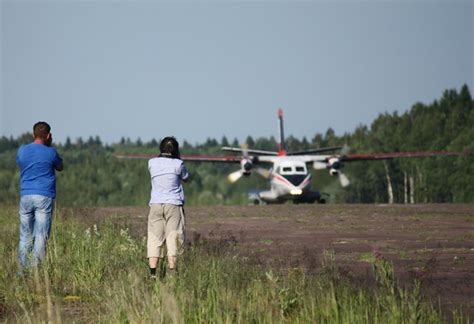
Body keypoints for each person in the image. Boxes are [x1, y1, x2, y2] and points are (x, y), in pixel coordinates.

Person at [16, 121, 63, 270]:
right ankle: (35, 272)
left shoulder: (22, 150)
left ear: (33, 134)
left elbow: (21, 163)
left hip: (25, 195)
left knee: (25, 236)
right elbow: (60, 166)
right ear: (48, 136)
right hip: (44, 196)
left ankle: (22, 272)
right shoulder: (51, 152)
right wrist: (48, 148)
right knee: (41, 235)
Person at [147, 136, 189, 280]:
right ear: (175, 149)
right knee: (174, 237)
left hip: (156, 205)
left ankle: (152, 274)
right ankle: (173, 274)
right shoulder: (178, 164)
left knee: (154, 238)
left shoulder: (151, 163)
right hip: (173, 205)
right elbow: (186, 177)